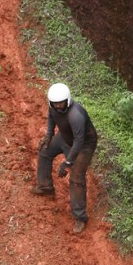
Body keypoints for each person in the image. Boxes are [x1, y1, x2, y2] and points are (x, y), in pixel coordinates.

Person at [33, 82, 97, 233]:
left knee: (76, 175)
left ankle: (80, 217)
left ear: (67, 100)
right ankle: (45, 186)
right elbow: (51, 116)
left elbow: (79, 141)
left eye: (61, 103)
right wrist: (49, 134)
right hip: (66, 137)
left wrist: (68, 162)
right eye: (55, 104)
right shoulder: (53, 107)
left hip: (83, 146)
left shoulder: (76, 115)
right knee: (45, 150)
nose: (58, 106)